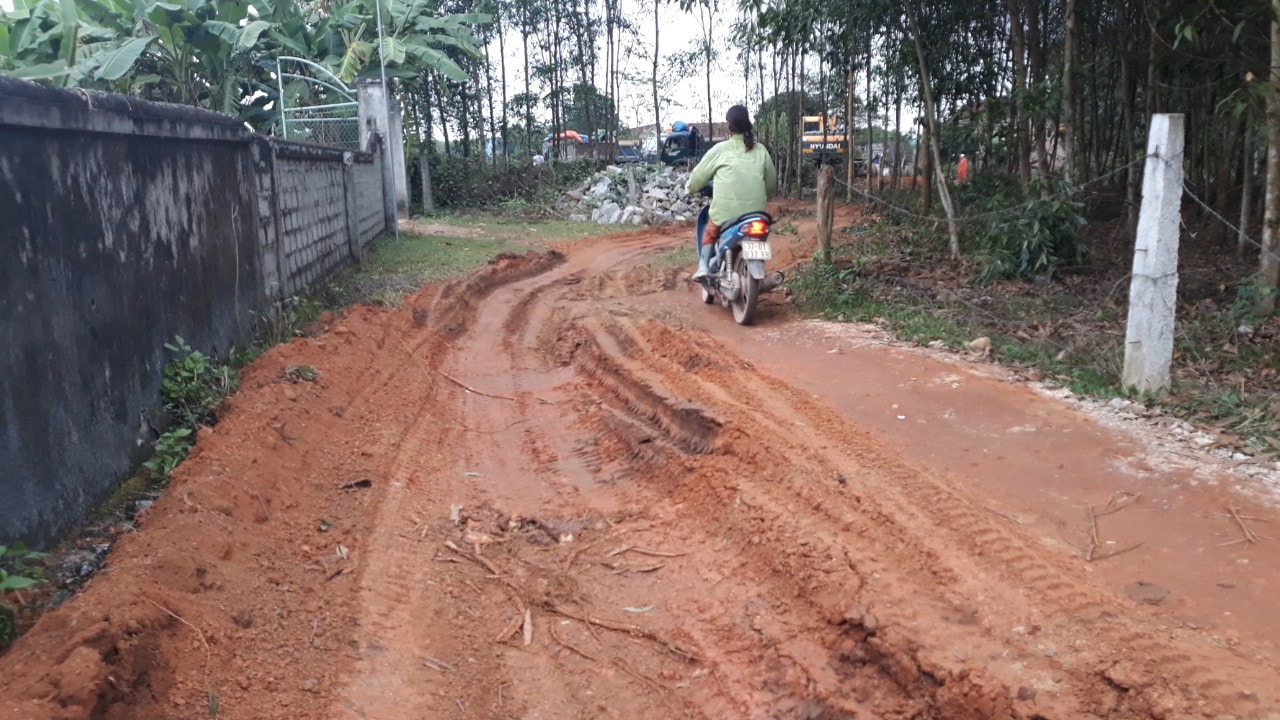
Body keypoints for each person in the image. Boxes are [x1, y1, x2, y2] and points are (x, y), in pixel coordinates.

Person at [685, 105, 778, 280]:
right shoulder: (761, 150)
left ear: (729, 125)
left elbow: (698, 176)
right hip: (756, 214)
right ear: (748, 123)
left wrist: (690, 188)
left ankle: (704, 267)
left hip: (726, 214)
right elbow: (771, 185)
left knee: (710, 231)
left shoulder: (720, 150)